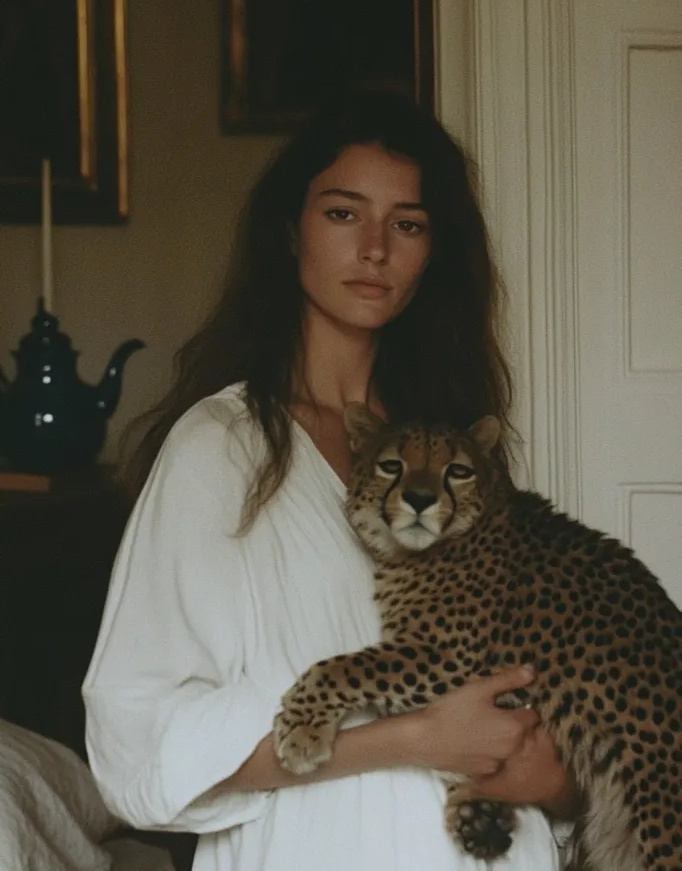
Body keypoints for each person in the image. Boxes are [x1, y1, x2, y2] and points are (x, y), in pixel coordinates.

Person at [83, 91, 579, 871]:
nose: (375, 248)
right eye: (344, 214)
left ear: (432, 252)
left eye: (408, 224)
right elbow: (138, 742)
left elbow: (539, 702)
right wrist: (412, 738)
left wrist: (554, 782)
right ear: (291, 231)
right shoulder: (222, 449)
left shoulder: (452, 457)